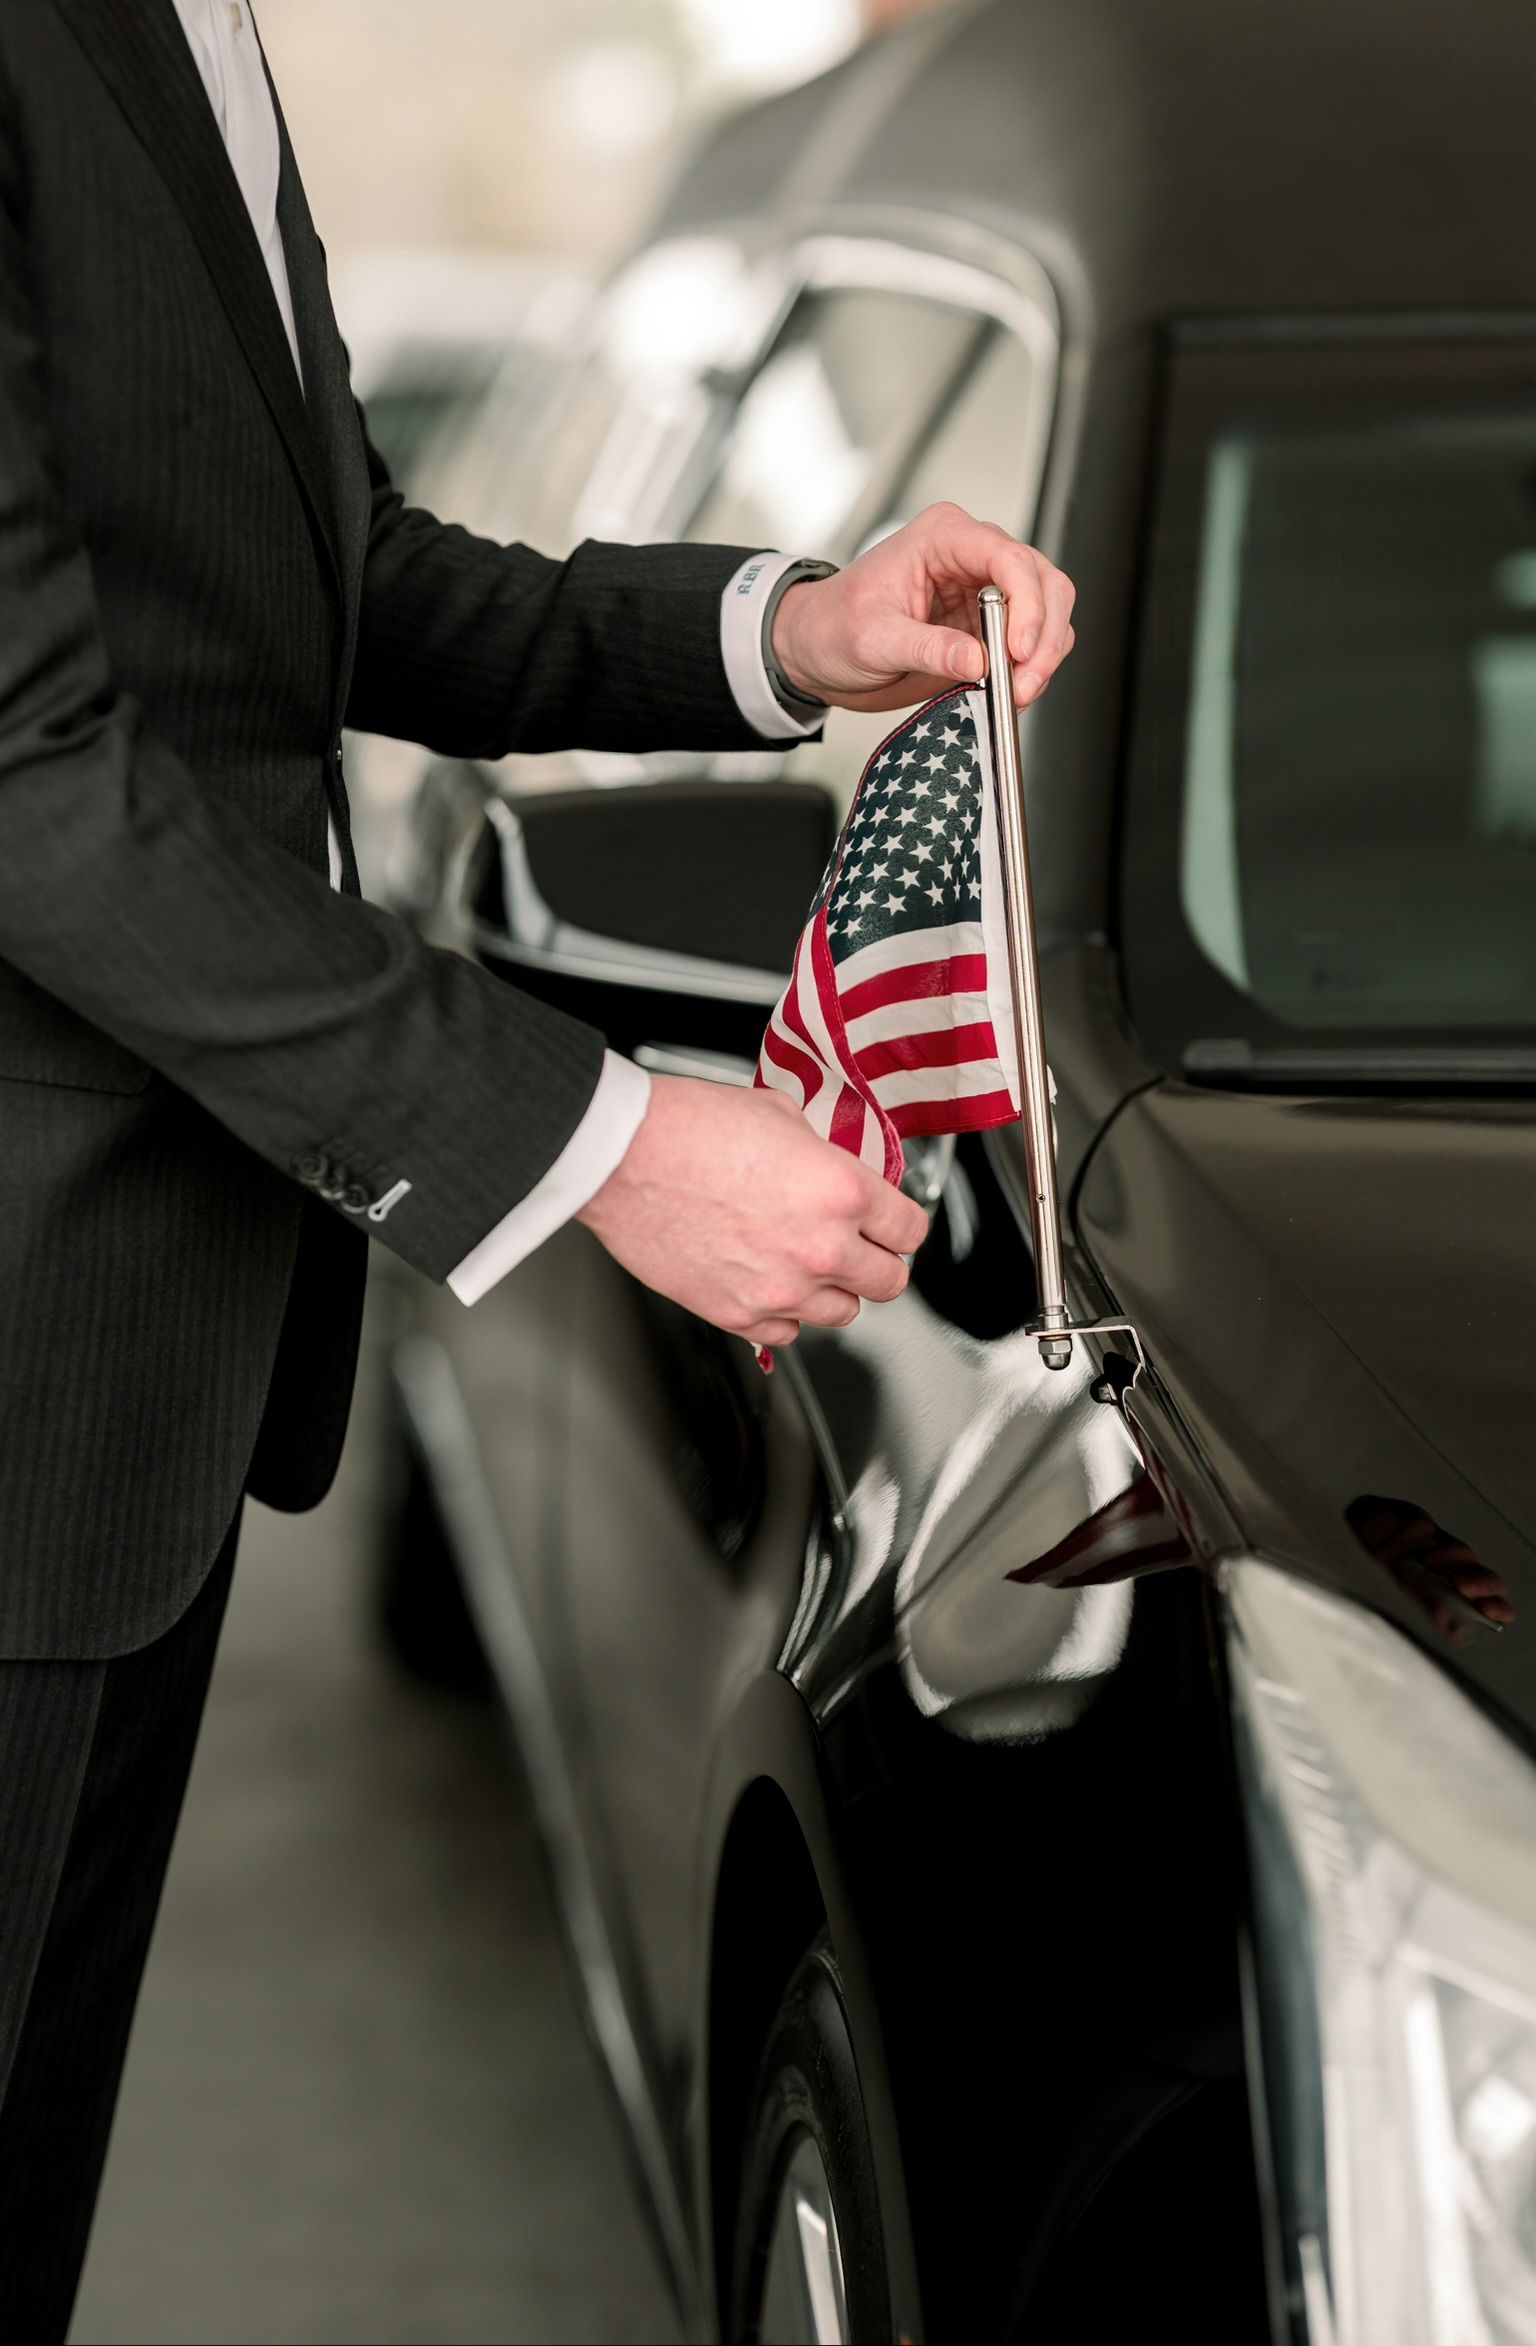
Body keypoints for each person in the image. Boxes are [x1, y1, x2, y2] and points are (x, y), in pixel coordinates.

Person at [0, 0, 1076, 2328]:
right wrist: (596, 1142)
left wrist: (792, 633)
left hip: (138, 1395)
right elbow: (27, 783)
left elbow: (326, 576)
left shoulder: (190, 32)